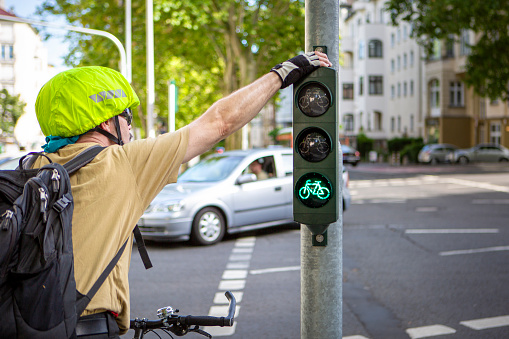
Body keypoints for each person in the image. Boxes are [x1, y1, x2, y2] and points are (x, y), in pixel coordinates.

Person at [32, 51, 331, 338]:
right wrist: (281, 74)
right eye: (126, 117)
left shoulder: (32, 167)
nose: (131, 128)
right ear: (105, 122)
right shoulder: (123, 162)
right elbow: (220, 122)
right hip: (85, 327)